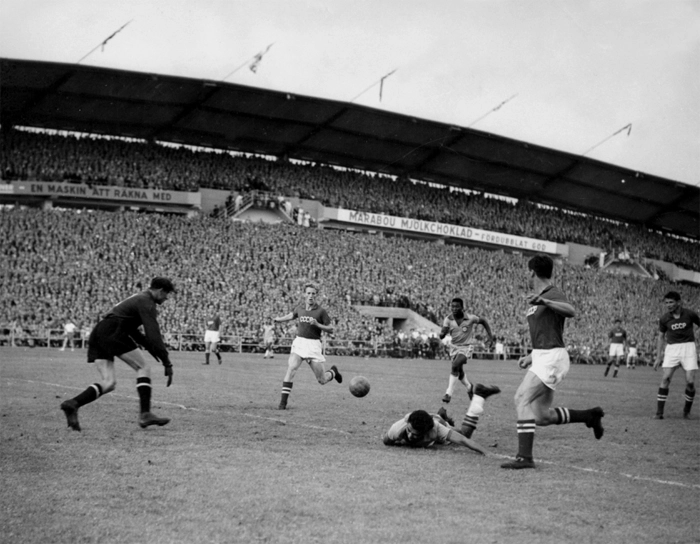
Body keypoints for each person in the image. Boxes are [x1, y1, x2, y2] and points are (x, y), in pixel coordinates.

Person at [502, 255, 604, 470]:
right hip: (543, 356)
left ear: (532, 272)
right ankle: (589, 416)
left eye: (526, 271)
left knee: (521, 398)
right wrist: (532, 355)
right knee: (541, 416)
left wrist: (545, 301)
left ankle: (525, 458)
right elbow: (547, 330)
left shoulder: (551, 293)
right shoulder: (539, 296)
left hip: (552, 358)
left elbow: (571, 311)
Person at [59, 277, 176, 432]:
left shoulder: (138, 298)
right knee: (144, 368)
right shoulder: (147, 302)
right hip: (113, 331)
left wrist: (153, 350)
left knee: (109, 382)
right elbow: (153, 334)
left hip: (100, 331)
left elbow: (135, 332)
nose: (166, 298)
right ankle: (145, 414)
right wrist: (166, 361)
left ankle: (72, 404)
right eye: (166, 294)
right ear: (160, 290)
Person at [273, 282, 342, 410]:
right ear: (305, 294)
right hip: (300, 343)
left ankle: (333, 372)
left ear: (316, 295)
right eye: (308, 293)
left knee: (322, 380)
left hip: (313, 345)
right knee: (291, 368)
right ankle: (283, 403)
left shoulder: (321, 312)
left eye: (313, 294)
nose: (311, 296)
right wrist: (278, 319)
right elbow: (292, 315)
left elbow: (331, 329)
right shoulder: (300, 308)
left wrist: (317, 324)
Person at [653, 291, 699, 420]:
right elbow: (661, 337)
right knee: (665, 379)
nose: (668, 305)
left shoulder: (690, 314)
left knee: (690, 382)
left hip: (688, 348)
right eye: (666, 302)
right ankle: (659, 412)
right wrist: (658, 357)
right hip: (672, 349)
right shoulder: (664, 318)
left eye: (671, 302)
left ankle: (686, 411)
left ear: (679, 302)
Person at [439, 297, 495, 404]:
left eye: (457, 306)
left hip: (466, 347)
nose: (454, 308)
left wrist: (490, 336)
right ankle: (469, 387)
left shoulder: (470, 318)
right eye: (452, 306)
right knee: (459, 372)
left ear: (462, 308)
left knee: (455, 365)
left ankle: (448, 393)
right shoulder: (448, 319)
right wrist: (442, 334)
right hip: (454, 347)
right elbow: (442, 333)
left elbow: (483, 321)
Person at [381, 409, 486, 455]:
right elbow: (386, 441)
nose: (410, 435)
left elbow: (463, 440)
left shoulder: (436, 428)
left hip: (436, 423)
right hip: (428, 424)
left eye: (415, 434)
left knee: (463, 433)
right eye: (409, 431)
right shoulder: (396, 429)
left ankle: (478, 399)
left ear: (425, 432)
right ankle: (440, 416)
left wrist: (487, 453)